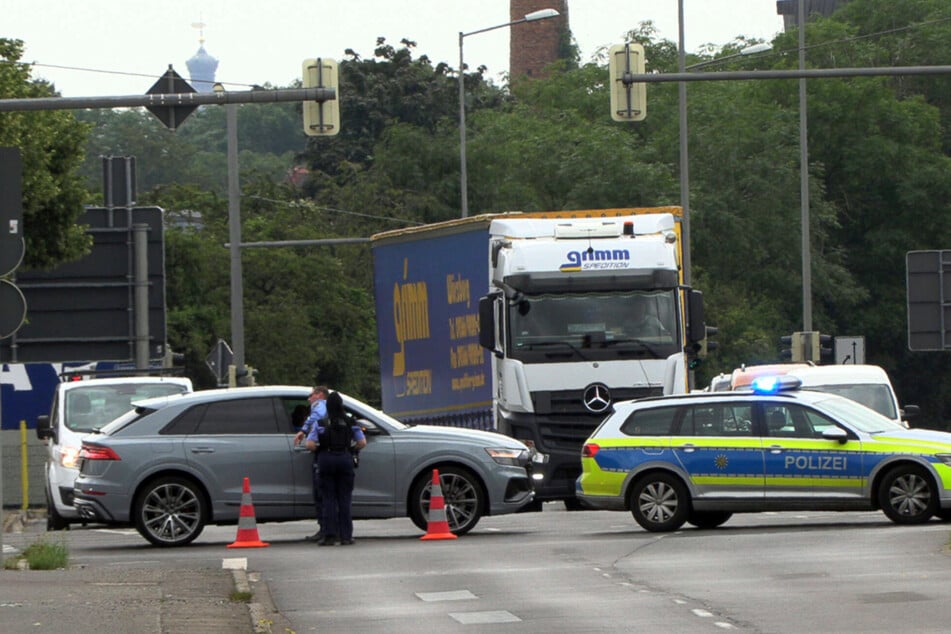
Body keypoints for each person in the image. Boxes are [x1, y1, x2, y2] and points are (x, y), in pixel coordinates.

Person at [315, 390, 366, 546]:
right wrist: (350, 449)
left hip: (326, 460)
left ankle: (330, 535)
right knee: (344, 499)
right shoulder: (351, 422)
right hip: (345, 459)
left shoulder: (321, 423)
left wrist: (321, 447)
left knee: (328, 499)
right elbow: (362, 442)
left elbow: (310, 444)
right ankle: (346, 536)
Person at [294, 386, 328, 542]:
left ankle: (325, 529)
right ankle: (330, 530)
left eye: (311, 395)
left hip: (322, 456)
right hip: (331, 455)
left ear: (320, 395)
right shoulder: (334, 413)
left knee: (322, 494)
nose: (309, 399)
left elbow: (316, 417)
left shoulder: (320, 406)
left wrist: (303, 430)